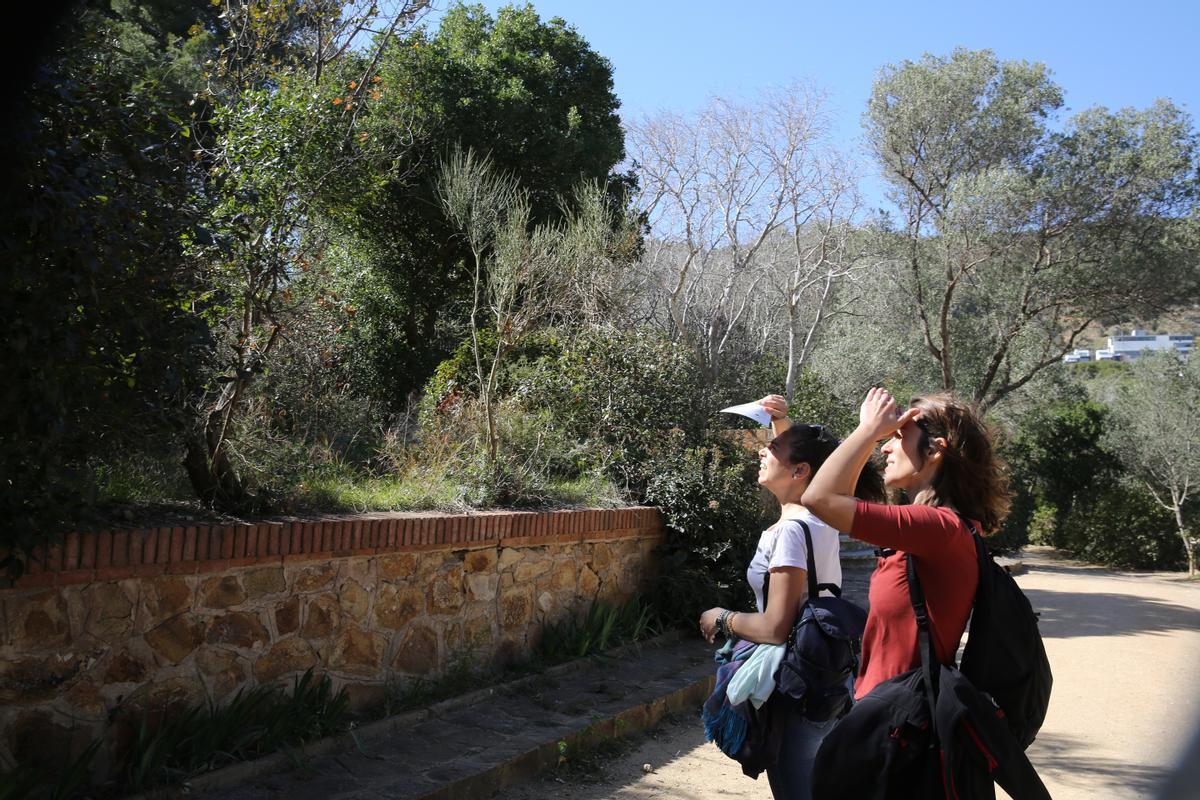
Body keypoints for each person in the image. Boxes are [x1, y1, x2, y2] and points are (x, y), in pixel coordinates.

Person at [699, 394, 884, 800]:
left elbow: (775, 626)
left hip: (796, 684)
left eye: (774, 449)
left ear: (799, 471)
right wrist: (782, 425)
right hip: (826, 676)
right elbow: (814, 475)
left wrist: (721, 618)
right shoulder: (819, 520)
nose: (763, 450)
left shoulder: (787, 534)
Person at [800, 387, 1011, 701]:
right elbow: (839, 499)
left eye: (899, 436)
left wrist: (868, 430)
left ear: (934, 451)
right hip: (891, 710)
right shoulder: (932, 529)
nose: (886, 447)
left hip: (898, 722)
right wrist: (870, 436)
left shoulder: (938, 528)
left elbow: (818, 499)